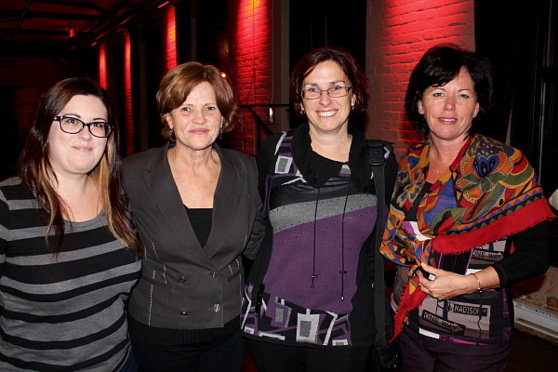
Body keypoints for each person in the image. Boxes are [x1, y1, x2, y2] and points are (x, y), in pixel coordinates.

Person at [380, 44, 556, 372]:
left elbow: (536, 255)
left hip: (472, 340)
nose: (449, 106)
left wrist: (467, 283)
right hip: (409, 328)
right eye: (437, 93)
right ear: (419, 103)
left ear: (477, 107)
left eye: (463, 95)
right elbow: (399, 248)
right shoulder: (409, 165)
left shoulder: (506, 166)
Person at [241, 46, 398, 371]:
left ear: (354, 96)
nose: (325, 99)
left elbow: (381, 246)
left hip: (345, 328)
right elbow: (256, 223)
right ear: (300, 101)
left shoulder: (377, 161)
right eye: (312, 89)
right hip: (270, 322)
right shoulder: (275, 150)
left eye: (336, 87)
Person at [123, 61, 265, 372]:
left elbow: (258, 245)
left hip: (227, 327)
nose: (199, 119)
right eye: (185, 109)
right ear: (168, 117)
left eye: (210, 108)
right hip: (159, 330)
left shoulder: (245, 170)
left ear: (223, 116)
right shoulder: (132, 174)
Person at [0, 77, 142, 370]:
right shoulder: (7, 205)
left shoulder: (117, 200)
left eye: (97, 124)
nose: (86, 135)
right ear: (43, 130)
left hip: (120, 363)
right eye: (71, 121)